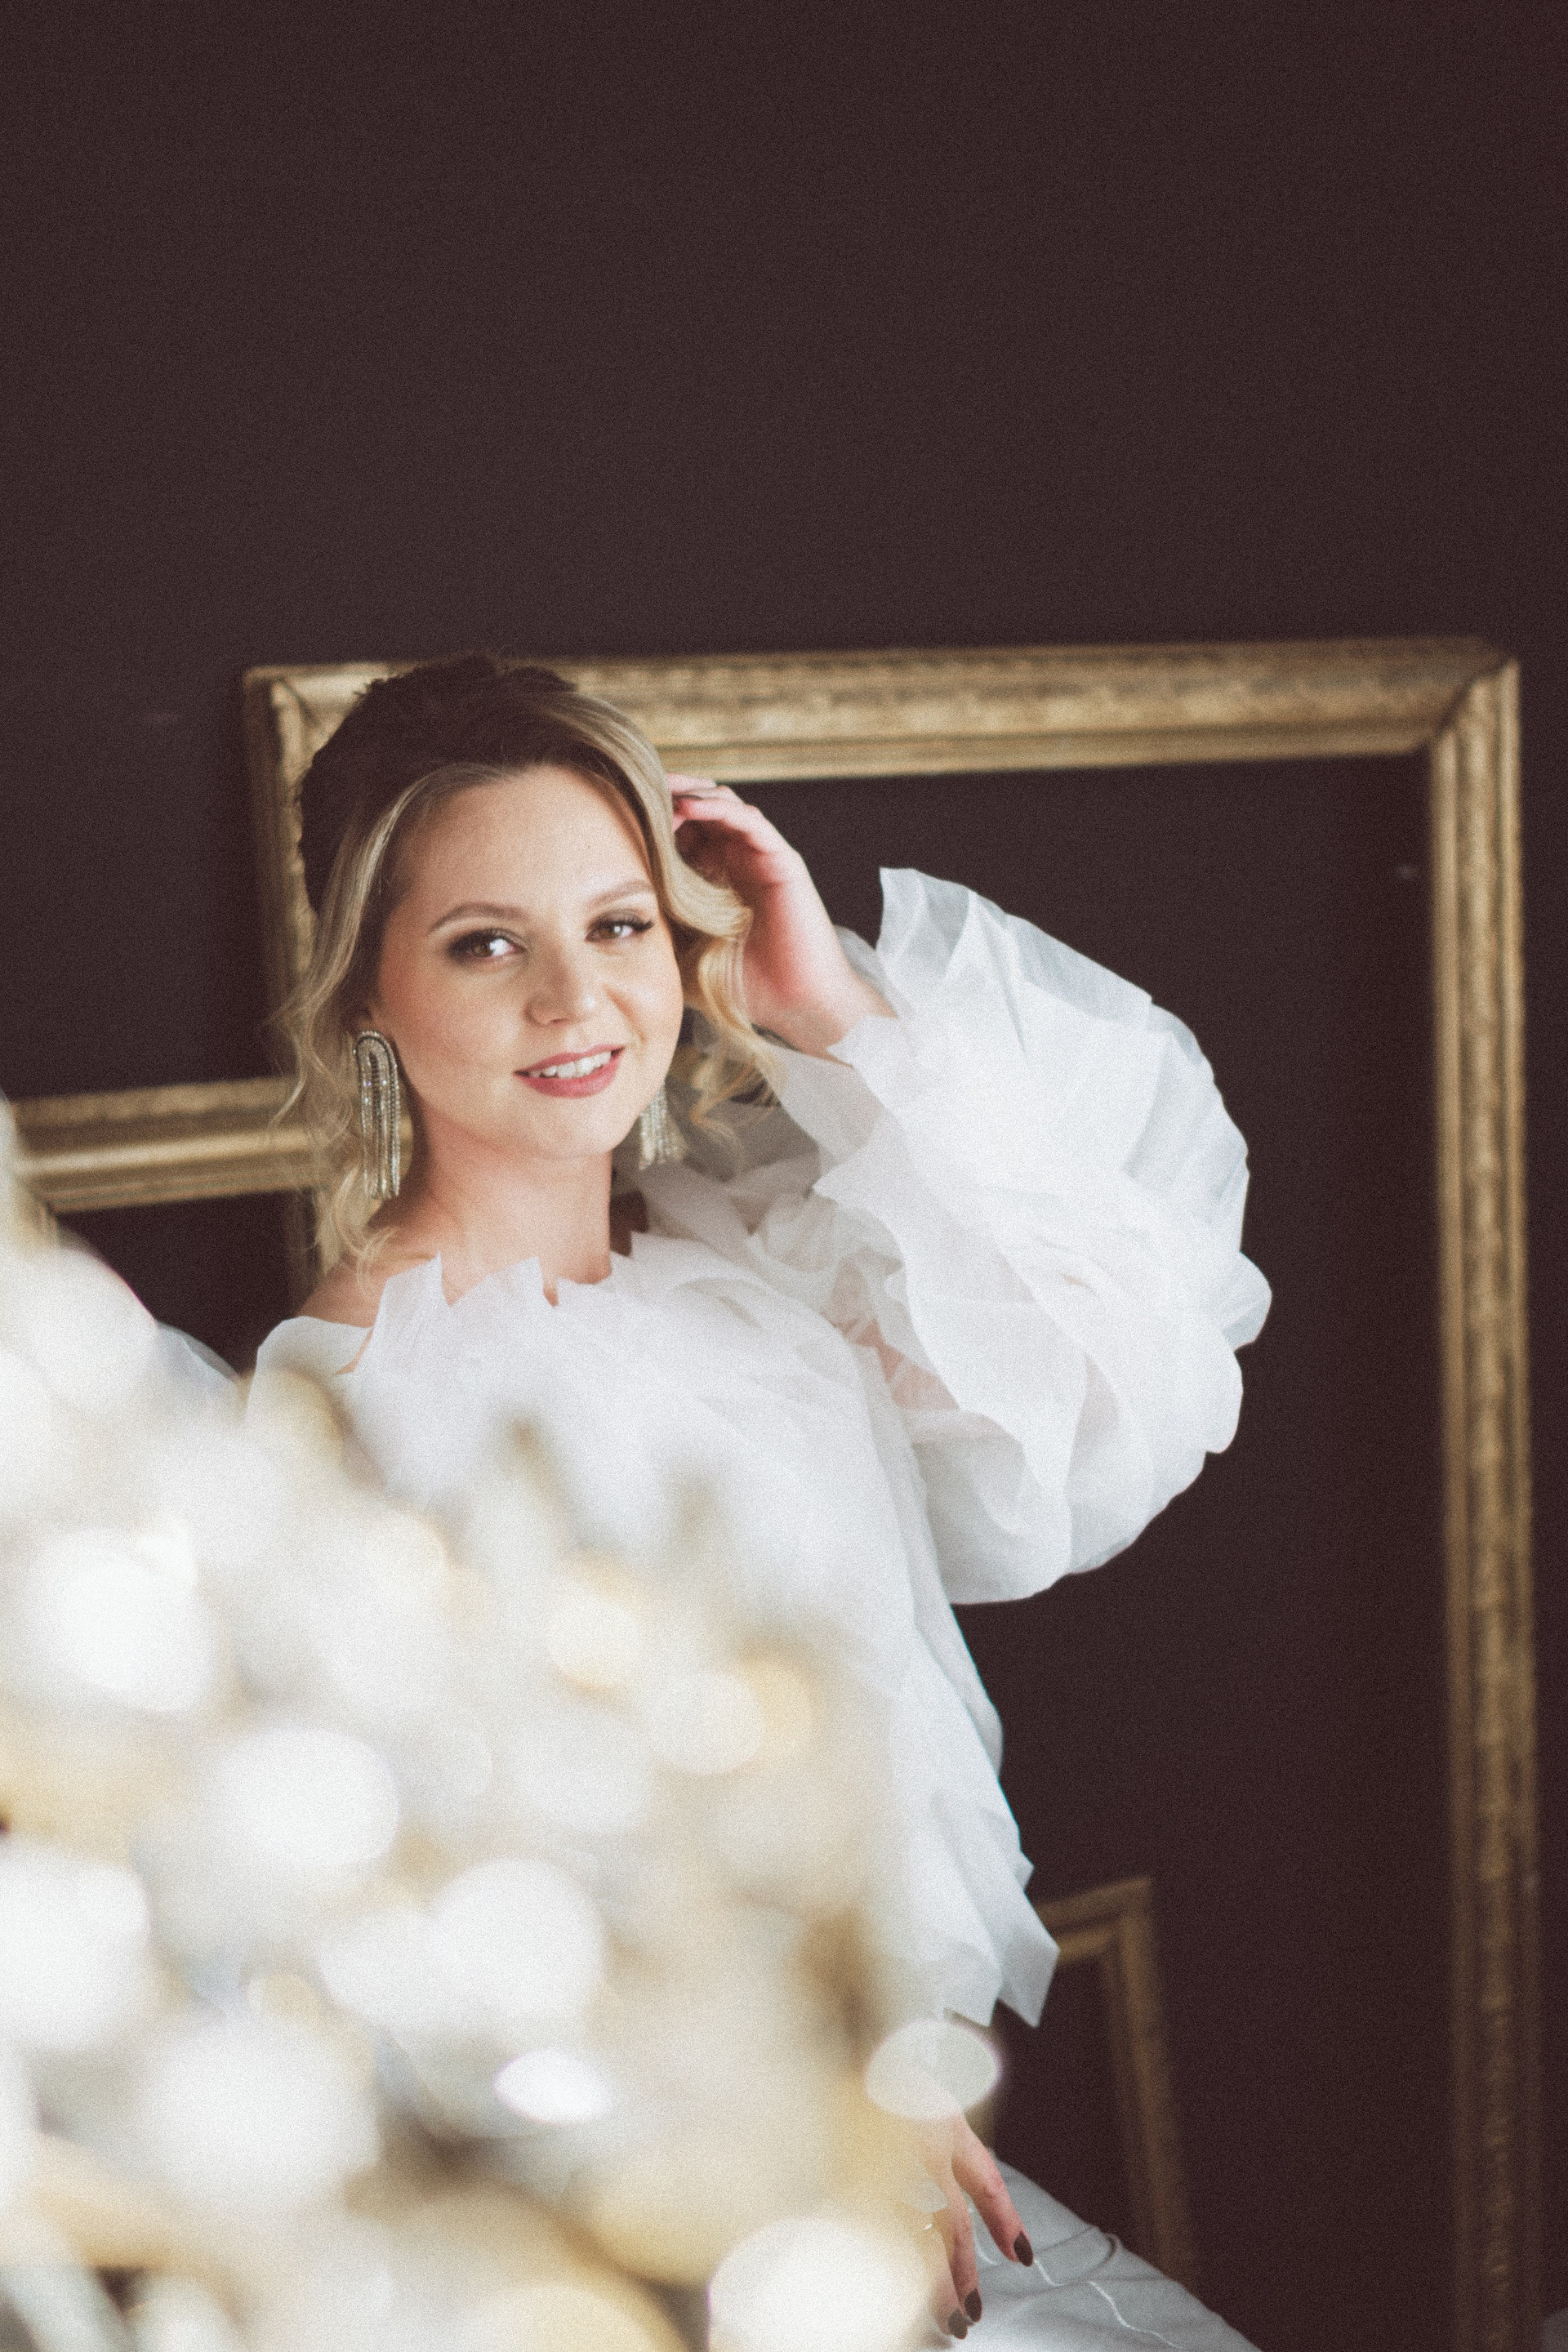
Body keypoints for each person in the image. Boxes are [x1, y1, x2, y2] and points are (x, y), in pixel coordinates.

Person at [258, 654, 1269, 2346]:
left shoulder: (729, 1291)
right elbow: (440, 1928)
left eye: (621, 925)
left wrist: (832, 1011)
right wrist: (813, 2110)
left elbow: (1110, 1385)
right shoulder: (370, 1395)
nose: (576, 999)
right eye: (487, 944)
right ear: (370, 991)